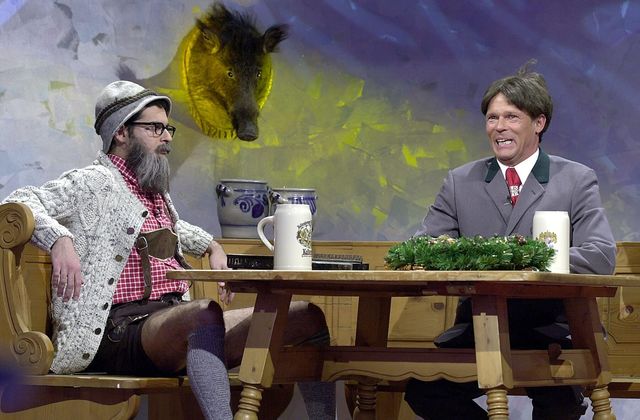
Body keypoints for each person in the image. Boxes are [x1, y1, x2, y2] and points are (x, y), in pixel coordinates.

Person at [1, 81, 333, 420]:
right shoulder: (92, 182)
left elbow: (168, 228)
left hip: (168, 320)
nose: (167, 137)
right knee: (202, 314)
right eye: (155, 128)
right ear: (121, 132)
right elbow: (18, 201)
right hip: (114, 330)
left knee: (307, 317)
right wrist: (59, 239)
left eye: (167, 128)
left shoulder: (151, 187)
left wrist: (211, 245)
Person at [404, 61, 616, 420]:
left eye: (512, 117)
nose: (499, 127)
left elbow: (600, 257)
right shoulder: (459, 181)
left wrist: (526, 259)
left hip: (550, 328)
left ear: (539, 123)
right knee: (425, 392)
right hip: (478, 327)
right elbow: (424, 248)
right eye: (492, 118)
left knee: (560, 403)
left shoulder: (576, 180)